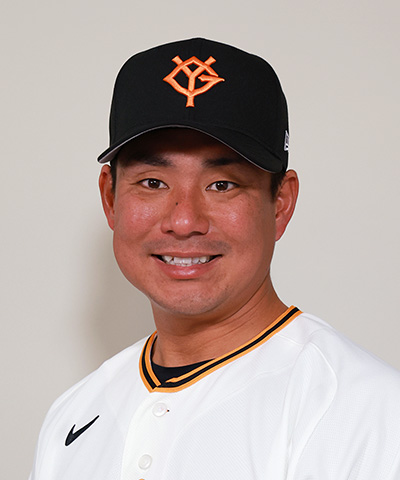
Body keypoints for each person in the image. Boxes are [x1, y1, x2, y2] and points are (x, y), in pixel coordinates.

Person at [29, 38, 400, 480]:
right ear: (110, 198)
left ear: (281, 204)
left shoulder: (366, 413)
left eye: (222, 185)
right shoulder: (71, 416)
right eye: (152, 182)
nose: (184, 220)